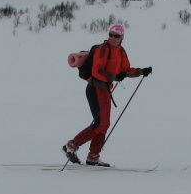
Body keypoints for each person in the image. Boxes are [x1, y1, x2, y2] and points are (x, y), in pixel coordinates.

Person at [63, 24, 152, 167]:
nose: (113, 38)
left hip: (105, 90)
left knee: (104, 125)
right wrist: (114, 77)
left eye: (116, 36)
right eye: (111, 35)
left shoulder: (120, 51)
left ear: (122, 37)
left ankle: (93, 157)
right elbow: (96, 71)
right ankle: (71, 146)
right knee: (100, 124)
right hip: (95, 88)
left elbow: (126, 70)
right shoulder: (103, 49)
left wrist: (142, 71)